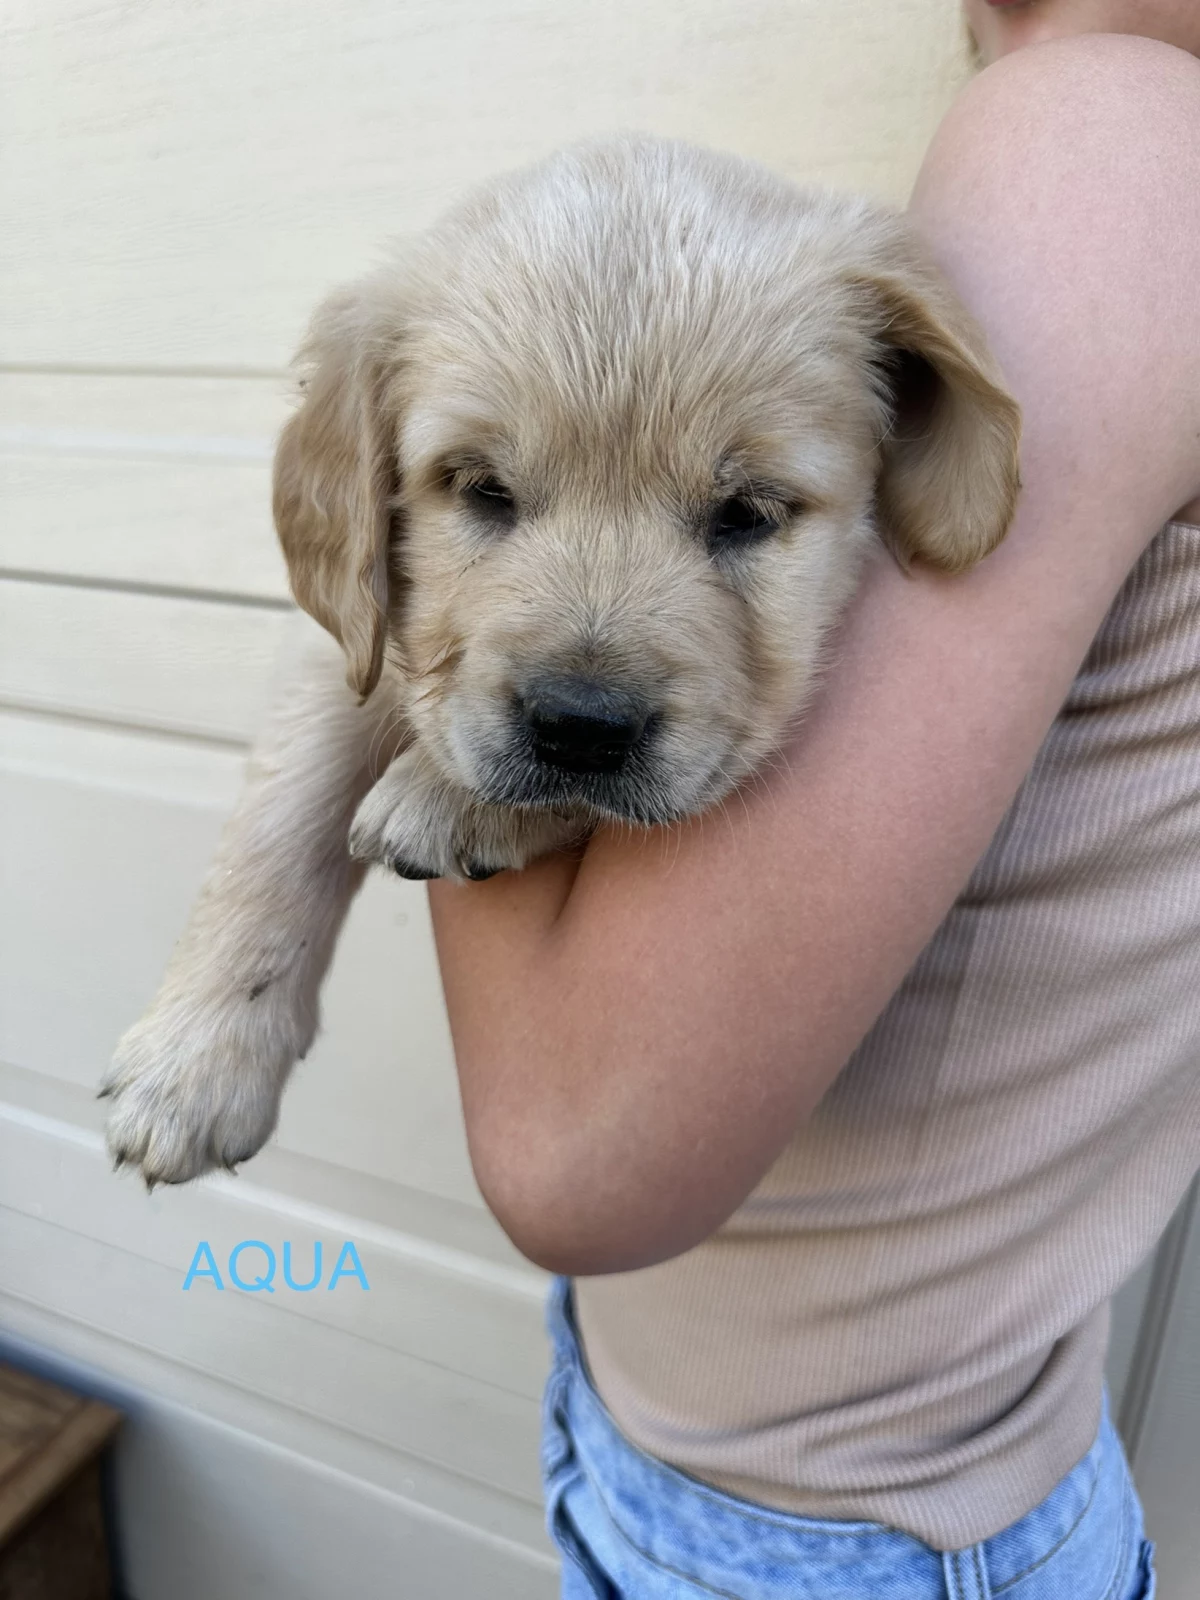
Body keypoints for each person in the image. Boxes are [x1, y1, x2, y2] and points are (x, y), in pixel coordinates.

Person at [428, 4, 1200, 1595]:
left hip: (834, 1534)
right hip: (863, 1482)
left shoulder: (1114, 139)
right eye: (487, 492)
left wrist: (422, 636)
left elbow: (580, 1152)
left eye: (742, 515)